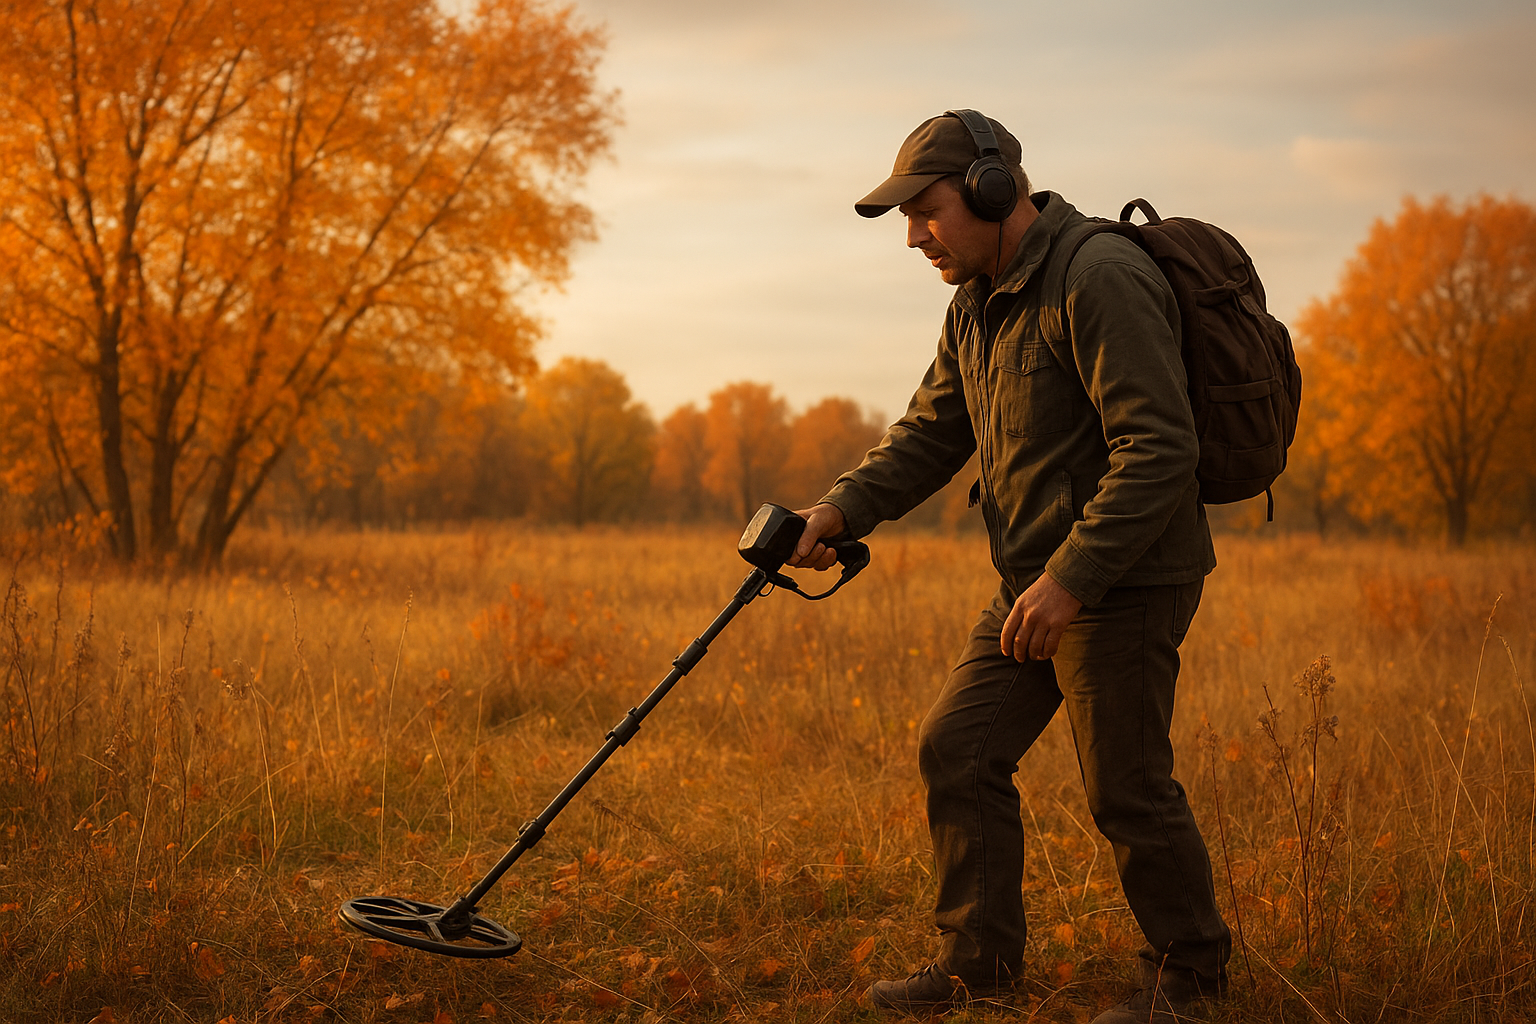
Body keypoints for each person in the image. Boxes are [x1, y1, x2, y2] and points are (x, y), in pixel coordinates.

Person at [786, 110, 1230, 1022]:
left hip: (1124, 577)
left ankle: (1192, 982)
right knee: (960, 745)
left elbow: (1159, 450)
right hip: (1033, 579)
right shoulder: (975, 303)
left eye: (925, 211)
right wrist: (836, 509)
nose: (913, 236)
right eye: (904, 218)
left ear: (994, 190)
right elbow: (930, 432)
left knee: (1126, 787)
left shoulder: (1098, 277)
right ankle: (978, 963)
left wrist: (1072, 580)